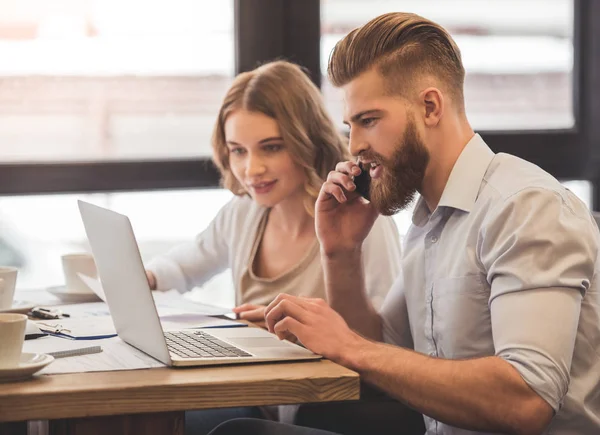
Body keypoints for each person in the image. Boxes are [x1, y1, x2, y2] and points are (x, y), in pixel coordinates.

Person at [209, 12, 600, 435]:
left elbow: (526, 400)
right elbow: (380, 347)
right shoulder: (428, 221)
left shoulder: (526, 208)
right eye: (351, 124)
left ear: (430, 107)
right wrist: (340, 252)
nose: (354, 146)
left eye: (369, 121)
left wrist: (350, 345)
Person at [144, 60, 403, 434]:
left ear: (306, 142)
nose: (252, 169)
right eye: (238, 151)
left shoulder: (361, 222)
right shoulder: (244, 213)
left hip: (314, 416)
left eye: (271, 147)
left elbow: (383, 349)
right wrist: (146, 277)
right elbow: (184, 266)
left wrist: (296, 331)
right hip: (252, 401)